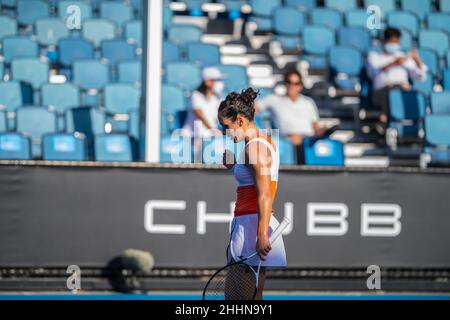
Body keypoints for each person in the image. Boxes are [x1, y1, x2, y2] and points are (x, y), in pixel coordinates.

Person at [219, 88, 287, 300]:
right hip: (251, 222)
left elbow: (265, 194)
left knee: (237, 301)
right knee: (253, 299)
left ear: (239, 121)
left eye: (226, 126)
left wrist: (261, 234)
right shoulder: (259, 144)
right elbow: (254, 182)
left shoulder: (254, 149)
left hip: (250, 225)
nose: (225, 132)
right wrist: (234, 166)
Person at [255, 69, 330, 164]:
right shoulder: (274, 100)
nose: (292, 86)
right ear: (285, 84)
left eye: (296, 83)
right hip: (285, 142)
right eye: (289, 82)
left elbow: (316, 126)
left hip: (308, 143)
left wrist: (324, 130)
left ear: (301, 85)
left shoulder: (308, 102)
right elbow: (254, 108)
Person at [367, 27, 428, 135]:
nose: (394, 45)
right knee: (392, 91)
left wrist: (417, 60)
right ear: (384, 41)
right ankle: (386, 123)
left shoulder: (402, 56)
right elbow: (373, 73)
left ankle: (406, 126)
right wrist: (394, 62)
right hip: (380, 93)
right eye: (392, 42)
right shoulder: (374, 56)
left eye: (397, 42)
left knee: (408, 93)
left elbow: (421, 77)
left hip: (403, 91)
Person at [183, 67, 225, 156]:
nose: (218, 83)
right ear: (207, 81)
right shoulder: (196, 95)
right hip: (194, 136)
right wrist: (213, 130)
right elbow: (199, 114)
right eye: (215, 80)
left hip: (210, 136)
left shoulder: (218, 97)